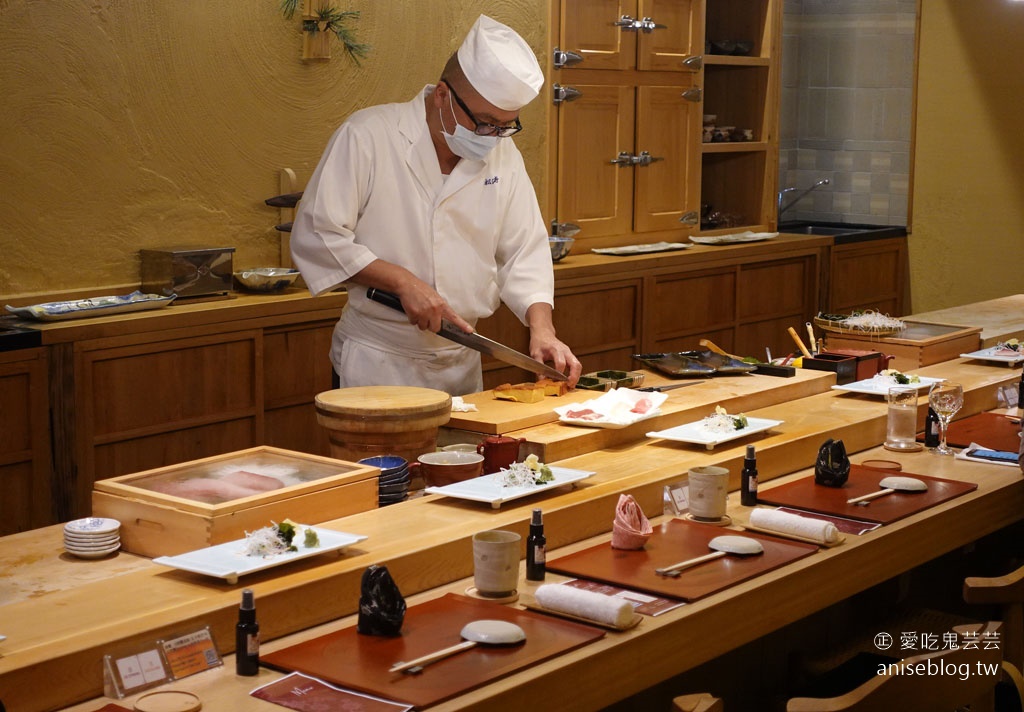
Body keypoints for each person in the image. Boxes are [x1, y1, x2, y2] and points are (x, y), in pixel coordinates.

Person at [290, 14, 582, 396]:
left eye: (505, 126)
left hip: (461, 361)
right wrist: (402, 281)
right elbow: (317, 234)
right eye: (485, 123)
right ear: (443, 95)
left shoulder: (503, 154)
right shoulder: (368, 135)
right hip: (378, 360)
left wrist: (542, 328)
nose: (493, 137)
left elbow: (523, 249)